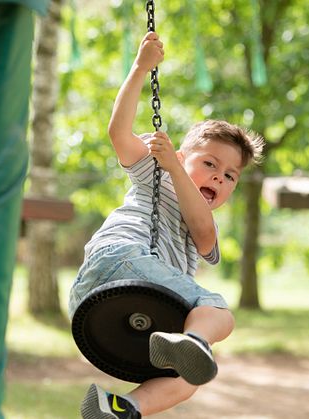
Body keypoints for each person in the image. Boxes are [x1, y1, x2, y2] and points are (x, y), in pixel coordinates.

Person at [70, 31, 264, 418]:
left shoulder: (202, 222)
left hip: (98, 301)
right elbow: (119, 133)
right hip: (121, 259)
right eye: (209, 164)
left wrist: (179, 168)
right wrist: (141, 69)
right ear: (178, 156)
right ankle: (193, 340)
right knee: (217, 310)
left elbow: (202, 227)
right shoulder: (157, 174)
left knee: (189, 379)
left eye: (230, 176)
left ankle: (120, 408)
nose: (219, 178)